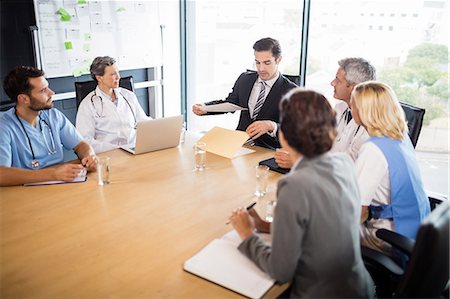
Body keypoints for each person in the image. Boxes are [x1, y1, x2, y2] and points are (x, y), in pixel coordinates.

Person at [229, 88, 374, 298]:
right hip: (358, 288)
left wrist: (247, 235)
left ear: (284, 135)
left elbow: (281, 271)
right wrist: (266, 226)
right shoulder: (343, 162)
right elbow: (321, 227)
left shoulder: (294, 185)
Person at [350, 81, 430, 254]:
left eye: (354, 103)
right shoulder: (400, 137)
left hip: (387, 236)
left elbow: (354, 212)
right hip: (416, 230)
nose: (351, 107)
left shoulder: (372, 149)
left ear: (365, 110)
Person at [192, 37, 297, 149]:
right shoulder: (245, 79)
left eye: (267, 63)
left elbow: (295, 130)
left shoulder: (292, 92)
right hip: (240, 144)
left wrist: (272, 126)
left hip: (268, 150)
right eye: (257, 62)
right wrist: (205, 108)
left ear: (278, 60)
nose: (261, 69)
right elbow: (231, 103)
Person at [0, 66, 97, 187]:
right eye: (43, 90)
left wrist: (89, 156)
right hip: (25, 193)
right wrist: (52, 174)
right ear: (23, 99)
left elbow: (80, 145)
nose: (51, 93)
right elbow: (2, 174)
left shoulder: (53, 116)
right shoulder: (4, 126)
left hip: (60, 185)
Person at [274, 57, 376, 168]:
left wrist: (300, 162)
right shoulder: (339, 108)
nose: (332, 83)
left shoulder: (371, 125)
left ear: (353, 87)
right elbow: (318, 144)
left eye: (338, 80)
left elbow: (350, 163)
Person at [76, 56, 151, 153]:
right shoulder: (87, 104)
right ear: (99, 78)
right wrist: (116, 149)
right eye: (112, 74)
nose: (118, 77)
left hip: (134, 149)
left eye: (118, 72)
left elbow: (144, 122)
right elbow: (85, 141)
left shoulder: (128, 96)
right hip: (109, 154)